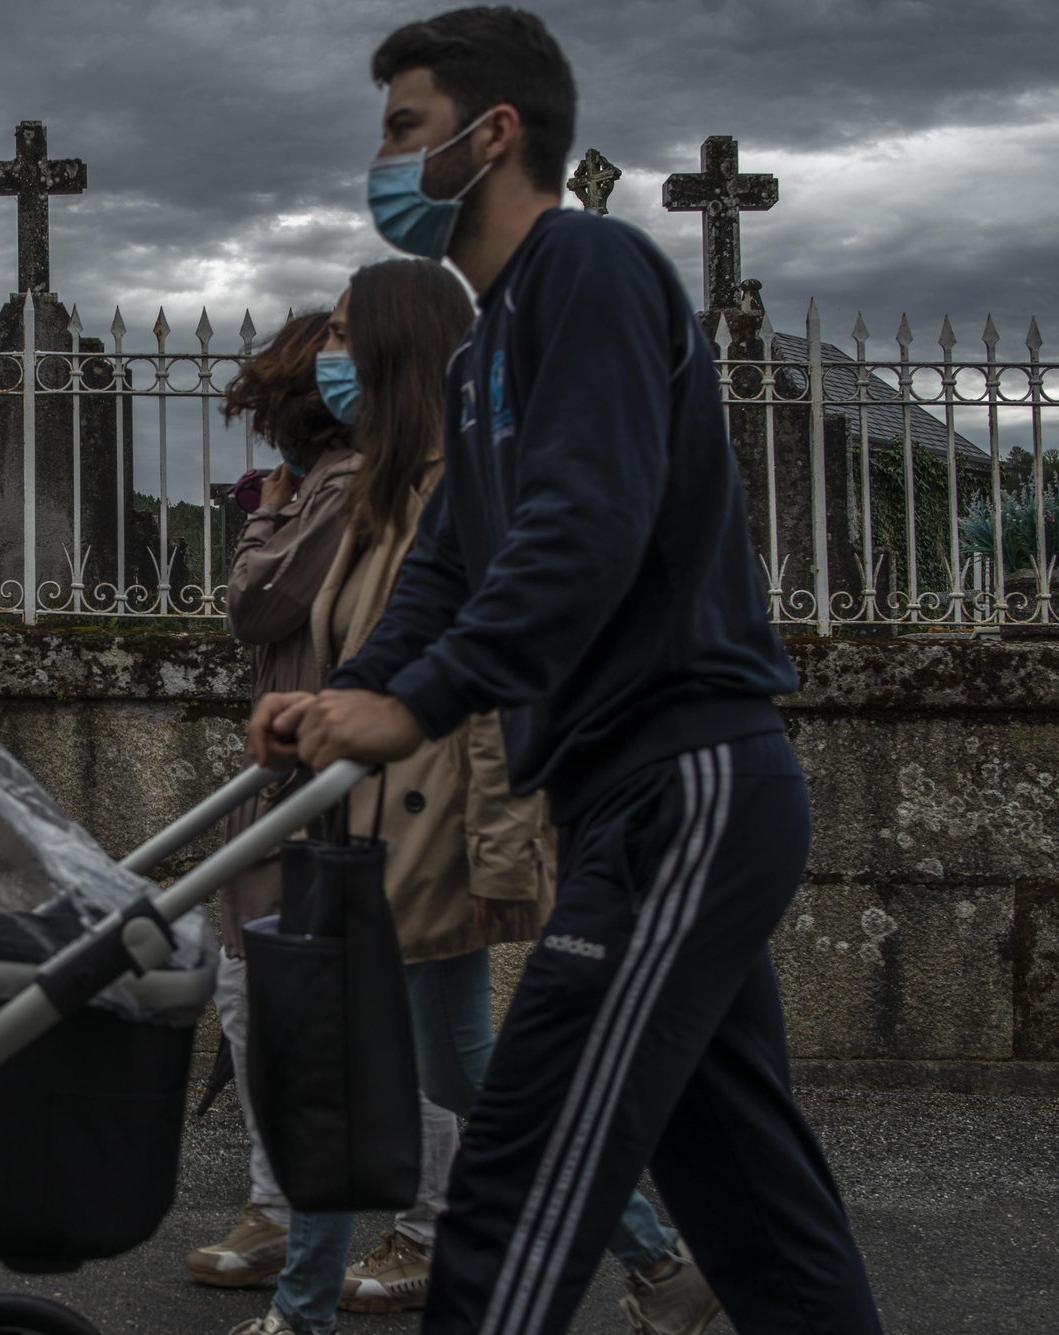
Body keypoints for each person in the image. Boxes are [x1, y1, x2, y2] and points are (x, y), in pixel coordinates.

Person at [250, 9, 882, 1335]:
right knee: (747, 1186)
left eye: (405, 127)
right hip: (618, 790)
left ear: (495, 135)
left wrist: (418, 699)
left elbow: (580, 529)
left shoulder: (590, 267)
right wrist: (350, 686)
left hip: (683, 776)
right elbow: (451, 567)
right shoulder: (486, 346)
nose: (385, 158)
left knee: (520, 1177)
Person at [229, 262, 713, 1335]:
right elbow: (367, 658)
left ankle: (298, 1315)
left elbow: (493, 692)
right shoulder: (380, 485)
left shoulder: (459, 492)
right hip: (365, 818)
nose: (327, 358)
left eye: (348, 336)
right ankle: (660, 1263)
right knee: (455, 1072)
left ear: (404, 349)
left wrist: (499, 858)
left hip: (422, 827)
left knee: (343, 1062)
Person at [186, 308, 467, 1298]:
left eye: (268, 403)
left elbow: (255, 605)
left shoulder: (345, 486)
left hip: (335, 783)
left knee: (350, 1033)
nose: (261, 427)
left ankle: (435, 1231)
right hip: (298, 773)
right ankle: (277, 1211)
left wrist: (264, 508)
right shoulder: (341, 483)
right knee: (252, 998)